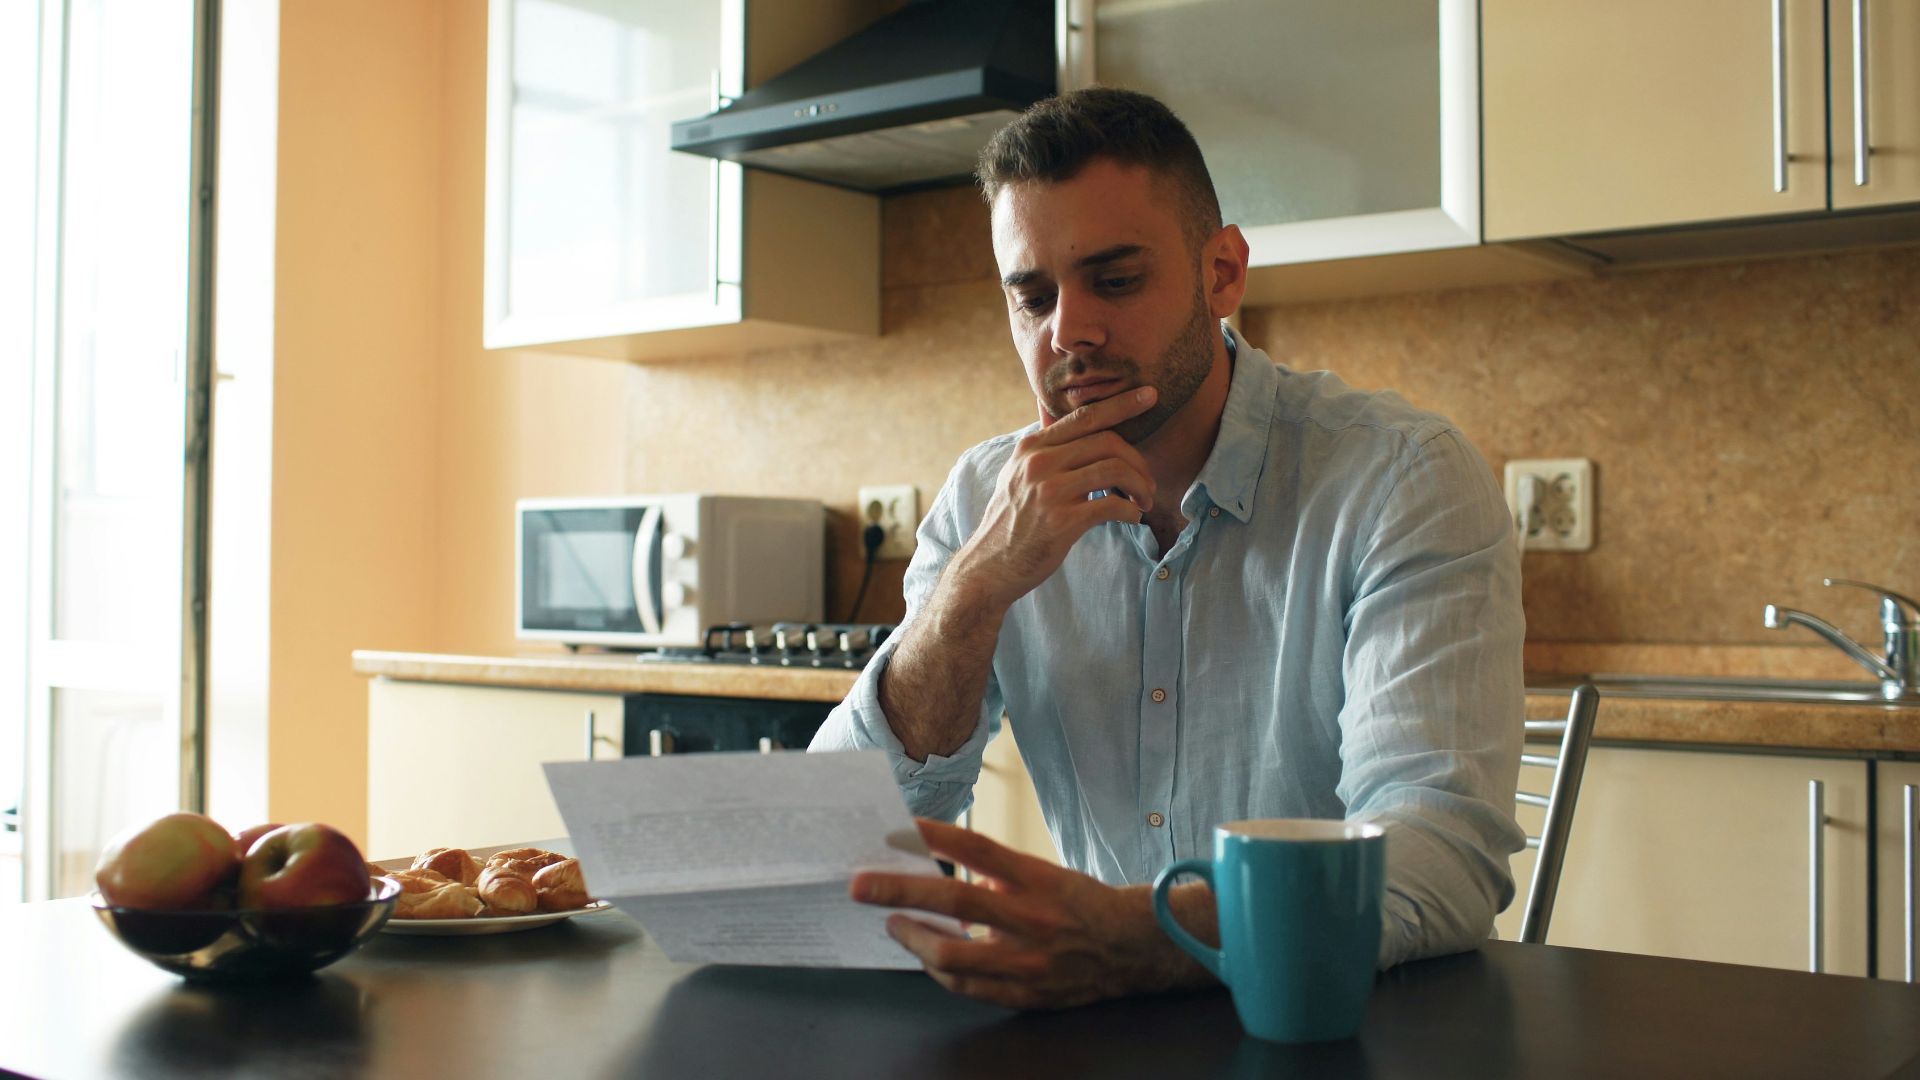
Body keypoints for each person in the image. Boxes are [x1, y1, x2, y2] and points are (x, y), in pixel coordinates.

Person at [808, 87, 1525, 1009]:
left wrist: (1135, 939)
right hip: (1101, 1031)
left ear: (1222, 271)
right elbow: (838, 840)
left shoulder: (1401, 480)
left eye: (1115, 279)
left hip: (1347, 1026)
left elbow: (1438, 857)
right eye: (1032, 297)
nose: (1069, 331)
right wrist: (973, 591)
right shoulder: (988, 500)